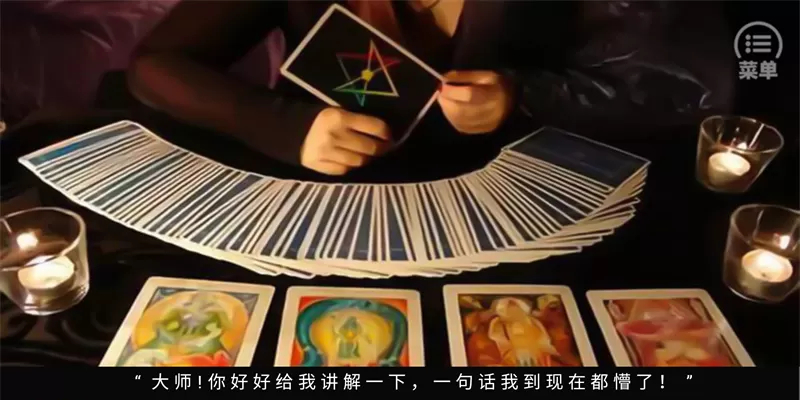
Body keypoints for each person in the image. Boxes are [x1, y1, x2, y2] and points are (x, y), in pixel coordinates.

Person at [128, 0, 733, 176]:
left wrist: (522, 95)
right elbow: (156, 66)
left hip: (510, 197)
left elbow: (684, 90)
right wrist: (284, 124)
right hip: (328, 196)